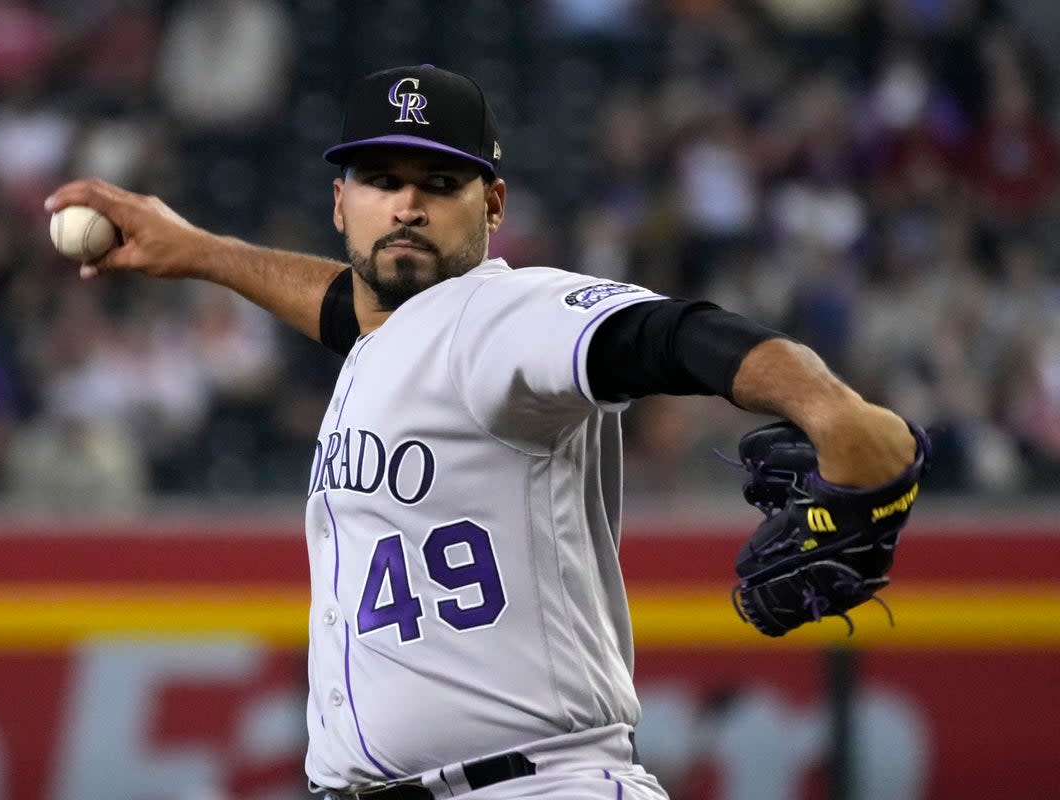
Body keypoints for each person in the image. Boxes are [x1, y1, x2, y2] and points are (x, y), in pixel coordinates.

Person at [46, 65, 919, 800]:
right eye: (382, 181)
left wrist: (831, 410)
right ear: (340, 203)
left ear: (492, 202)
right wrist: (198, 250)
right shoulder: (392, 340)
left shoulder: (502, 314)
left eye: (438, 184)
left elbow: (664, 334)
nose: (408, 206)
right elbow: (346, 312)